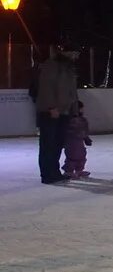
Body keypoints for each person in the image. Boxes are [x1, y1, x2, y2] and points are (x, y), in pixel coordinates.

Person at [31, 44, 80, 184]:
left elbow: (71, 91)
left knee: (58, 143)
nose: (76, 56)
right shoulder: (51, 66)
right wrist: (51, 107)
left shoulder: (69, 68)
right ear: (65, 53)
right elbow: (47, 87)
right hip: (50, 112)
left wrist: (75, 109)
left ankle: (55, 171)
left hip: (64, 111)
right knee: (48, 144)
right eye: (73, 52)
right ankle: (47, 174)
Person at [62, 102, 93, 179]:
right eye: (80, 109)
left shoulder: (82, 119)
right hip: (72, 142)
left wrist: (86, 138)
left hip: (80, 142)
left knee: (81, 155)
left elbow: (85, 130)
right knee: (72, 156)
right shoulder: (69, 120)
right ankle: (68, 171)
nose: (82, 110)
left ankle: (79, 170)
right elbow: (69, 131)